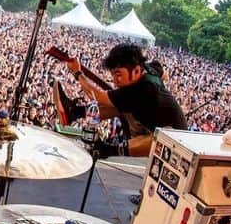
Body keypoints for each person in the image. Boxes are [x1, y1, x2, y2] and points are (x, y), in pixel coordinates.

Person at [55, 42, 186, 158]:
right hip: (152, 124)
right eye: (112, 75)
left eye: (118, 75)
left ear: (136, 71)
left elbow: (97, 97)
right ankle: (74, 112)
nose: (114, 80)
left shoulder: (142, 90)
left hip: (175, 144)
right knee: (119, 104)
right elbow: (164, 74)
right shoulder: (149, 69)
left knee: (160, 138)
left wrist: (77, 73)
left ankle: (107, 150)